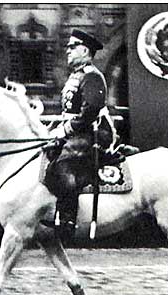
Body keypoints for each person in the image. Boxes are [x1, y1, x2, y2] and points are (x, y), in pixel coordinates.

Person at [42, 29, 116, 240]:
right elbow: (69, 112)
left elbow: (91, 110)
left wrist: (65, 130)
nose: (68, 50)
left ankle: (67, 221)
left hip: (95, 132)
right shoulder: (76, 76)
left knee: (64, 164)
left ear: (85, 50)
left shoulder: (92, 76)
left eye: (72, 47)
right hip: (79, 130)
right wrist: (55, 128)